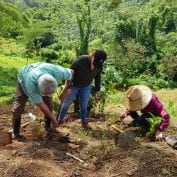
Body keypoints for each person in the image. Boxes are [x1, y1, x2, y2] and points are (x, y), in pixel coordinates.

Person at [11, 62, 74, 139]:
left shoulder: (56, 72)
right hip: (24, 79)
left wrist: (66, 89)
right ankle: (15, 131)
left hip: (42, 75)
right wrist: (54, 119)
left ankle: (47, 125)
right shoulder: (30, 85)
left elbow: (71, 72)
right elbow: (41, 105)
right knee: (18, 107)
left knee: (49, 105)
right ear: (39, 88)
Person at [57, 49, 107, 129]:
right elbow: (69, 73)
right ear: (93, 55)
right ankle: (60, 120)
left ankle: (83, 121)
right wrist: (68, 87)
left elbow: (98, 77)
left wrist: (98, 90)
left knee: (84, 105)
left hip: (86, 86)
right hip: (73, 86)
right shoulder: (81, 60)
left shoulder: (99, 65)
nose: (95, 65)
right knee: (66, 103)